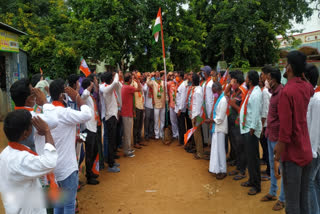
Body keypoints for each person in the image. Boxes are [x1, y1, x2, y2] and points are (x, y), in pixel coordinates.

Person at [274, 51, 314, 214]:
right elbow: (311, 89)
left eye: (286, 63)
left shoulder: (286, 92)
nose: (284, 65)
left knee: (291, 204)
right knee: (304, 199)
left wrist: (277, 154)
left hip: (292, 154)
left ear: (289, 67)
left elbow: (285, 131)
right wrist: (302, 77)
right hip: (306, 151)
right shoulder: (306, 87)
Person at [45, 78, 92, 214]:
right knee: (69, 205)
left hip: (53, 167)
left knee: (59, 204)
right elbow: (87, 114)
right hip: (67, 169)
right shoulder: (65, 113)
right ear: (61, 96)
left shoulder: (47, 112)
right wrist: (77, 97)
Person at [0, 110, 57, 214]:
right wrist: (47, 131)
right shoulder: (22, 159)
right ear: (25, 134)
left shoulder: (4, 154)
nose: (35, 131)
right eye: (33, 128)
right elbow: (50, 161)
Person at [260, 68, 285, 211]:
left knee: (280, 167)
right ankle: (272, 192)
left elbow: (283, 119)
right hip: (270, 133)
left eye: (268, 79)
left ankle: (282, 198)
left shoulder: (281, 94)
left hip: (277, 137)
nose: (266, 81)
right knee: (271, 163)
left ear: (273, 80)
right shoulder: (273, 93)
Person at [239, 70, 262, 195]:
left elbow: (256, 112)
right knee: (250, 157)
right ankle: (251, 180)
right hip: (247, 128)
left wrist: (252, 128)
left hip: (250, 130)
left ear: (250, 80)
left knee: (253, 158)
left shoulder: (256, 93)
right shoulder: (251, 91)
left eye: (246, 78)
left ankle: (257, 185)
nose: (245, 80)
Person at [225, 71, 247, 180]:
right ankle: (238, 167)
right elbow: (225, 93)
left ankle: (242, 170)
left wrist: (233, 104)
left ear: (237, 82)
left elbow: (241, 110)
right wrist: (230, 85)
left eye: (232, 81)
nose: (230, 83)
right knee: (235, 146)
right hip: (233, 122)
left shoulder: (242, 92)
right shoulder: (236, 91)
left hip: (238, 123)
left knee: (240, 147)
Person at [305, 63, 320, 214]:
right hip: (314, 149)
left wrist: (312, 152)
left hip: (314, 150)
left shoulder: (316, 99)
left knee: (309, 182)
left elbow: (315, 129)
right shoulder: (313, 97)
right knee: (315, 181)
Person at [206, 82, 228, 179]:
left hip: (220, 127)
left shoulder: (223, 100)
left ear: (218, 90)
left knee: (221, 150)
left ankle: (223, 170)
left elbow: (221, 117)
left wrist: (211, 120)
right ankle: (216, 168)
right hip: (216, 127)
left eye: (214, 92)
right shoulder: (219, 98)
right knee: (216, 149)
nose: (213, 93)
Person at [81, 78, 101, 183]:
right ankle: (89, 176)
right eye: (91, 86)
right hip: (87, 129)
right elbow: (84, 94)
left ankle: (90, 171)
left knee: (94, 150)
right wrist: (90, 86)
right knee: (89, 152)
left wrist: (94, 84)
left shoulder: (91, 96)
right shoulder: (84, 96)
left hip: (93, 127)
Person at [101, 72, 121, 172]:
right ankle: (111, 165)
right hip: (110, 117)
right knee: (111, 142)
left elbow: (118, 84)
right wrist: (117, 73)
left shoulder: (108, 87)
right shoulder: (106, 88)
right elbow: (116, 82)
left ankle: (112, 161)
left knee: (112, 142)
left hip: (112, 116)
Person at [121, 73, 141, 157]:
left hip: (126, 112)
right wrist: (137, 79)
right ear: (129, 80)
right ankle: (127, 151)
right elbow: (139, 89)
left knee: (127, 133)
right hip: (127, 113)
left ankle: (128, 148)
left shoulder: (123, 86)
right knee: (127, 133)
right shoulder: (128, 87)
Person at [188, 74, 204, 159]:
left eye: (191, 79)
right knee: (196, 134)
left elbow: (198, 105)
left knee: (197, 135)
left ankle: (200, 153)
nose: (190, 81)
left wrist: (195, 118)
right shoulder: (196, 89)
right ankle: (198, 151)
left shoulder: (198, 91)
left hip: (196, 115)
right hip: (195, 114)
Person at [260, 66, 272, 177]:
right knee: (267, 148)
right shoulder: (270, 88)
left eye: (262, 74)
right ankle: (269, 168)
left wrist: (262, 126)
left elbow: (264, 110)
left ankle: (269, 171)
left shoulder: (265, 91)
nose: (261, 76)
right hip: (269, 122)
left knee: (268, 148)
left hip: (266, 123)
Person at [147, 71, 166, 140]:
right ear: (155, 75)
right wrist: (150, 76)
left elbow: (165, 90)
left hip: (163, 104)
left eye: (158, 74)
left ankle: (161, 134)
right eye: (156, 74)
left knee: (162, 120)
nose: (157, 74)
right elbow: (147, 83)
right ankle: (157, 134)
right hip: (156, 104)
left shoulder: (163, 82)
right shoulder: (153, 82)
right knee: (156, 120)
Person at [200, 66, 214, 147]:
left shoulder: (211, 84)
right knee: (205, 127)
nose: (202, 73)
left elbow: (212, 99)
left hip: (210, 110)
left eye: (203, 71)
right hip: (204, 109)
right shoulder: (205, 83)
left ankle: (211, 146)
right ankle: (207, 143)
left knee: (210, 129)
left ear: (206, 73)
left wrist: (211, 112)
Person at [132, 71, 145, 149]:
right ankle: (135, 141)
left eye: (140, 76)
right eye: (138, 76)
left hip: (141, 105)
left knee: (140, 124)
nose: (139, 77)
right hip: (136, 106)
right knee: (136, 125)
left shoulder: (139, 82)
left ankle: (139, 139)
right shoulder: (133, 83)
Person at [175, 71, 188, 146]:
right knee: (180, 125)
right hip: (179, 108)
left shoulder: (183, 85)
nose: (177, 77)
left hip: (181, 109)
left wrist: (180, 109)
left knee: (181, 125)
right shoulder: (180, 84)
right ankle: (182, 140)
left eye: (178, 76)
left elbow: (183, 98)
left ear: (181, 77)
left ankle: (182, 141)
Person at [143, 73, 155, 141]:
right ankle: (146, 134)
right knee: (147, 121)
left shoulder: (154, 86)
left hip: (153, 105)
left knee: (152, 120)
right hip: (147, 105)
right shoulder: (146, 86)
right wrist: (148, 82)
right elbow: (144, 89)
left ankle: (151, 134)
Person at [167, 73, 179, 139]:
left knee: (178, 121)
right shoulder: (170, 83)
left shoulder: (180, 84)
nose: (174, 78)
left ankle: (179, 134)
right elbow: (164, 83)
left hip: (178, 106)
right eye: (173, 76)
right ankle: (175, 134)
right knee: (173, 121)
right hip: (171, 105)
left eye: (175, 76)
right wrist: (168, 75)